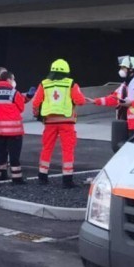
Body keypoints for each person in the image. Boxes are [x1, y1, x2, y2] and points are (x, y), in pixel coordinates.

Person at [32, 59, 86, 188]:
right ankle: (67, 180)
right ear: (66, 71)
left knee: (47, 148)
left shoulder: (44, 84)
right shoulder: (71, 84)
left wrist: (37, 114)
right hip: (67, 122)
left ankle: (42, 176)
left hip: (49, 122)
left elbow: (35, 103)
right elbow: (80, 101)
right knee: (67, 149)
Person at [89, 56, 134, 139]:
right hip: (129, 124)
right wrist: (95, 101)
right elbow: (114, 98)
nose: (121, 70)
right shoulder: (124, 85)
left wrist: (131, 103)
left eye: (123, 68)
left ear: (131, 69)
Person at [0, 71, 26, 185]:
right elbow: (21, 108)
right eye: (13, 79)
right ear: (9, 80)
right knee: (14, 156)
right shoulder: (14, 93)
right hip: (13, 131)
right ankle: (16, 178)